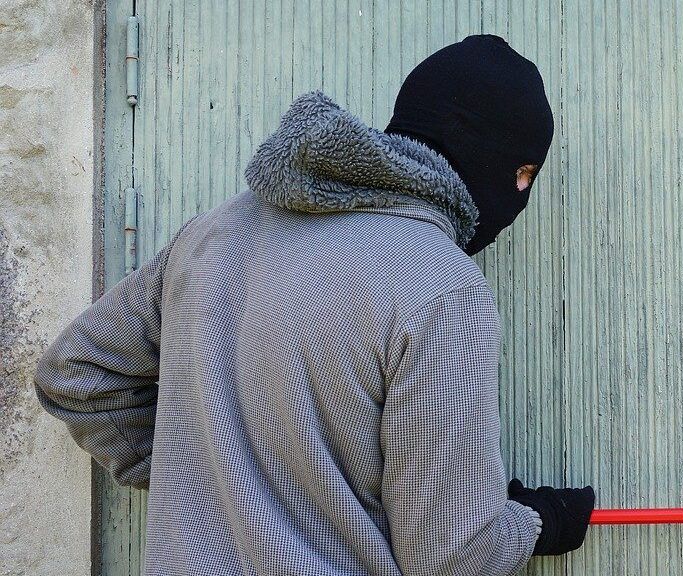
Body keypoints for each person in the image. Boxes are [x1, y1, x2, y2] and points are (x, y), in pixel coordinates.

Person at [33, 34, 594, 575]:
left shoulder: (213, 237)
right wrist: (537, 524)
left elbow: (77, 375)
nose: (520, 193)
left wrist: (210, 471)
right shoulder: (442, 287)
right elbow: (448, 555)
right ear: (480, 151)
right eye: (523, 173)